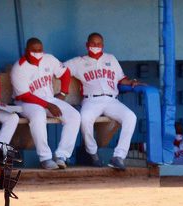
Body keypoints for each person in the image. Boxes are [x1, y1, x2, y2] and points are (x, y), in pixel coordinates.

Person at [65, 33, 141, 171]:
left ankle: (118, 156)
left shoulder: (110, 59)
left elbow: (121, 79)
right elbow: (59, 70)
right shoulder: (78, 62)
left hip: (111, 100)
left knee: (131, 117)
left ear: (103, 45)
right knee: (85, 119)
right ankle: (93, 153)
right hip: (91, 100)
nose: (96, 46)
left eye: (99, 44)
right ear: (87, 45)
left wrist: (132, 82)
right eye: (93, 43)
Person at [10, 37, 80, 170]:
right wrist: (48, 105)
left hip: (49, 99)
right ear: (26, 50)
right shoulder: (19, 68)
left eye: (39, 50)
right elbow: (24, 95)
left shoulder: (49, 59)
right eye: (33, 50)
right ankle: (45, 158)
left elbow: (65, 73)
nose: (37, 52)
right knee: (38, 115)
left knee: (74, 116)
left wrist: (63, 93)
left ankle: (62, 156)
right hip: (26, 102)